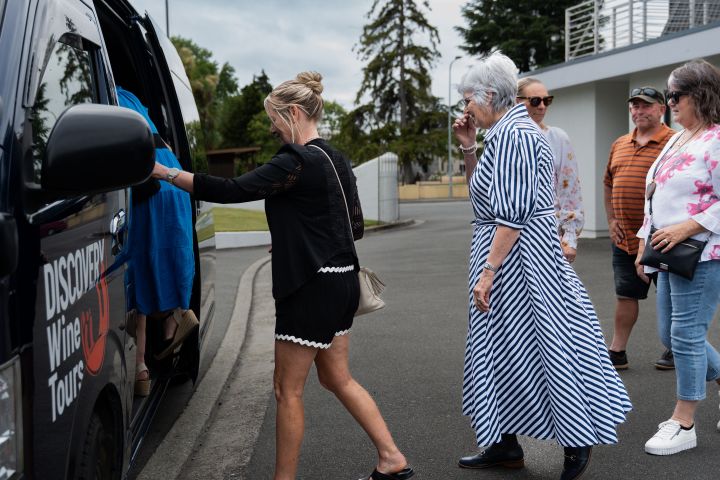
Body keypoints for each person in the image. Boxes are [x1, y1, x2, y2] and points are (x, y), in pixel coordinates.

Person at [150, 72, 413, 480]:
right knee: (337, 378)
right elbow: (351, 225)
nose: (273, 128)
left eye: (274, 118)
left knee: (286, 390)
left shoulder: (295, 160)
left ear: (293, 113)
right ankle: (391, 458)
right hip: (343, 283)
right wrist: (294, 237)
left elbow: (231, 190)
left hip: (309, 288)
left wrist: (162, 171)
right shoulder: (336, 159)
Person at [453, 52, 631, 480]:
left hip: (521, 265)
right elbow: (482, 198)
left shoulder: (515, 136)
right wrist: (469, 147)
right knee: (501, 351)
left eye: (468, 99)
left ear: (490, 95)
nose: (465, 109)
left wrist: (489, 270)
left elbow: (512, 213)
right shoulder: (502, 134)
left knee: (546, 347)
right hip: (509, 258)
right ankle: (503, 442)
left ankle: (575, 441)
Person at [638, 59, 720, 455]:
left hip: (703, 253)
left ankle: (684, 421)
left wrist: (689, 227)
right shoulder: (679, 137)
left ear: (699, 95)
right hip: (667, 250)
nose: (670, 102)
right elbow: (654, 194)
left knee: (686, 336)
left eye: (675, 95)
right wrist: (643, 244)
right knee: (669, 334)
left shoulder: (716, 138)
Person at [116, 87, 199, 397]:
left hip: (146, 181)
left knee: (139, 263)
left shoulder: (102, 91)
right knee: (160, 259)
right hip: (169, 178)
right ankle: (173, 318)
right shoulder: (131, 97)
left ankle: (141, 368)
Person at [603, 87, 676, 370]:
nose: (638, 111)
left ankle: (674, 347)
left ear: (661, 109)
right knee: (625, 294)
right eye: (634, 106)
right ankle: (617, 351)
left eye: (645, 106)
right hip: (625, 239)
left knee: (670, 295)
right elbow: (608, 183)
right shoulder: (620, 143)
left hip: (663, 237)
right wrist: (611, 221)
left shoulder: (675, 142)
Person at [516, 78, 584, 263]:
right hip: (510, 233)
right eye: (535, 101)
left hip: (548, 234)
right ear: (516, 101)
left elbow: (570, 189)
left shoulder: (557, 138)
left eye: (547, 100)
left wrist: (569, 237)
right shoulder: (504, 139)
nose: (542, 107)